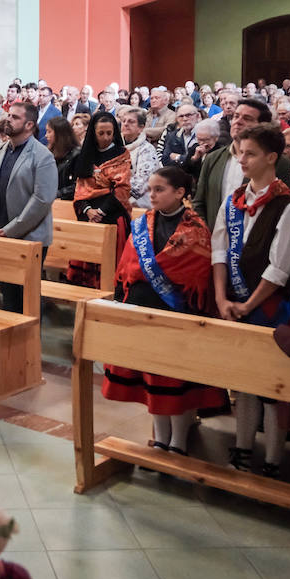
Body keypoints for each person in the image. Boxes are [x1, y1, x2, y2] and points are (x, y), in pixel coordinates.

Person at [102, 166, 226, 453]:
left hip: (179, 313)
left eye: (159, 190)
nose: (152, 195)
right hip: (142, 309)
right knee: (150, 377)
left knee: (176, 379)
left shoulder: (196, 230)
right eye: (150, 189)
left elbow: (198, 276)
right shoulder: (142, 222)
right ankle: (160, 437)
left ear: (180, 193)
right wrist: (121, 300)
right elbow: (127, 265)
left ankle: (179, 441)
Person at [211, 123, 290, 478]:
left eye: (250, 153)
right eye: (239, 152)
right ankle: (243, 447)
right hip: (233, 306)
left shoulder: (288, 208)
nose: (242, 159)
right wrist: (222, 299)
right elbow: (218, 251)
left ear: (271, 157)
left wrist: (248, 306)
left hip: (268, 309)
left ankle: (274, 457)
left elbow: (280, 269)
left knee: (273, 387)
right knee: (244, 384)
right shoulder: (233, 201)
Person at [0, 101, 58, 313]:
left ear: (29, 125)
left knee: (27, 298)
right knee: (8, 294)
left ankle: (30, 345)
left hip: (29, 237)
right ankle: (10, 345)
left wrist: (11, 229)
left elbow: (42, 200)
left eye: (15, 117)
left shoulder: (42, 156)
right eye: (9, 115)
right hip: (0, 231)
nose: (8, 120)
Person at [193, 99, 290, 224]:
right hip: (215, 236)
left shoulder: (278, 162)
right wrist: (206, 235)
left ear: (263, 126)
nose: (238, 122)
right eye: (236, 116)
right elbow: (199, 201)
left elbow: (287, 205)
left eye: (247, 118)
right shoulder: (213, 158)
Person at [66, 111, 131, 288]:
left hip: (112, 214)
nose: (106, 137)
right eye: (101, 133)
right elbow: (80, 189)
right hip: (88, 214)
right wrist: (88, 210)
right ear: (93, 133)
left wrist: (101, 211)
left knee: (110, 270)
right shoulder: (85, 155)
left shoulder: (121, 154)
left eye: (109, 133)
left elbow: (122, 188)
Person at [118, 107, 159, 209]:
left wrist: (117, 196)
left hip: (139, 203)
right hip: (114, 199)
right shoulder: (115, 147)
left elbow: (141, 182)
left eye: (131, 122)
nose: (126, 124)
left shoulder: (147, 150)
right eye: (124, 121)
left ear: (141, 127)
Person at [47, 115, 80, 201]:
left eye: (49, 132)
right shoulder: (48, 152)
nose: (46, 135)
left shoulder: (76, 154)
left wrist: (58, 194)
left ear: (59, 134)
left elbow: (78, 185)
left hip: (66, 202)